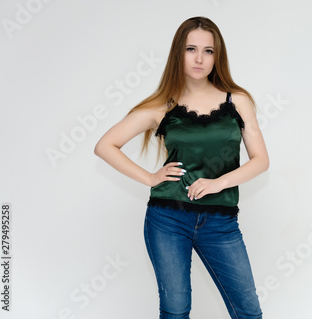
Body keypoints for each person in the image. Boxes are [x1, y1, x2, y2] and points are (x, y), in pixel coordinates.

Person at [94, 16, 269, 319]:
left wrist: (218, 183)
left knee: (249, 311)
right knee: (175, 311)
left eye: (208, 51)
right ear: (179, 53)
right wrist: (150, 177)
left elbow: (261, 161)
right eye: (191, 49)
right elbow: (105, 145)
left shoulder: (238, 101)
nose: (200, 58)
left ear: (218, 56)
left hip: (221, 221)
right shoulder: (162, 106)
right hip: (168, 219)